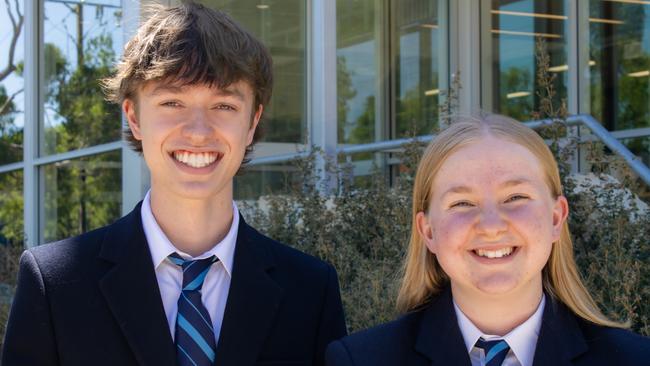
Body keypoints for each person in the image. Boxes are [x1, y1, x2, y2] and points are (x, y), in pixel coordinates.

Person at [2, 2, 346, 365]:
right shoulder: (55, 286)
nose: (198, 132)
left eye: (224, 106)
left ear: (252, 121)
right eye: (172, 102)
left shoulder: (310, 291)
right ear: (134, 117)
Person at [326, 114, 650, 366]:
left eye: (516, 197)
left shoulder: (635, 360)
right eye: (462, 203)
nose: (491, 226)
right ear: (428, 231)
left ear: (555, 218)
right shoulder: (362, 360)